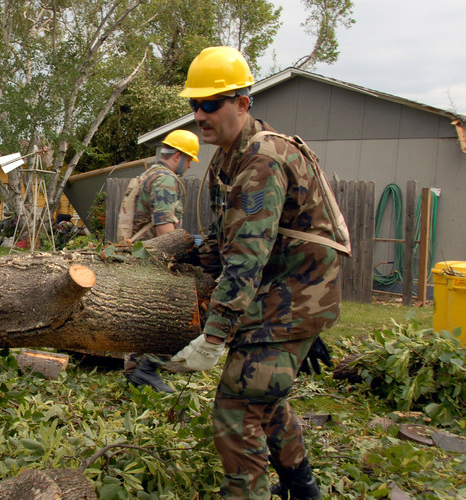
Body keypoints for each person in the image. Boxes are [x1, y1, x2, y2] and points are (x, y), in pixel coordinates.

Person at [170, 46, 343, 499]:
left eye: (211, 104)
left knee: (237, 408)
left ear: (243, 103)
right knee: (264, 397)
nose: (199, 115)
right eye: (195, 104)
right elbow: (220, 242)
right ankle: (303, 490)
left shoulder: (262, 159)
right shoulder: (227, 159)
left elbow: (247, 255)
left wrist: (215, 336)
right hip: (279, 296)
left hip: (292, 297)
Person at [118, 129, 199, 393]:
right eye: (189, 160)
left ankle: (135, 371)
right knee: (173, 314)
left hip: (138, 255)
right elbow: (164, 226)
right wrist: (178, 262)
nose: (189, 166)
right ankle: (148, 369)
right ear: (178, 156)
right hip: (154, 257)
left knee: (139, 315)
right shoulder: (165, 179)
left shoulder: (147, 175)